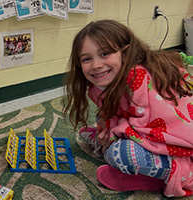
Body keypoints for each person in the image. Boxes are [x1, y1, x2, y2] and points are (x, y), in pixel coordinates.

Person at [63, 19, 193, 197]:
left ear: (125, 53)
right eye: (87, 59)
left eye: (104, 54)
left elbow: (145, 125)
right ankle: (116, 151)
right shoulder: (98, 86)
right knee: (100, 122)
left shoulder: (136, 75)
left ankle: (175, 173)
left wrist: (113, 135)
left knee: (120, 153)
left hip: (175, 141)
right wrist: (107, 127)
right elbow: (114, 113)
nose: (96, 65)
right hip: (143, 131)